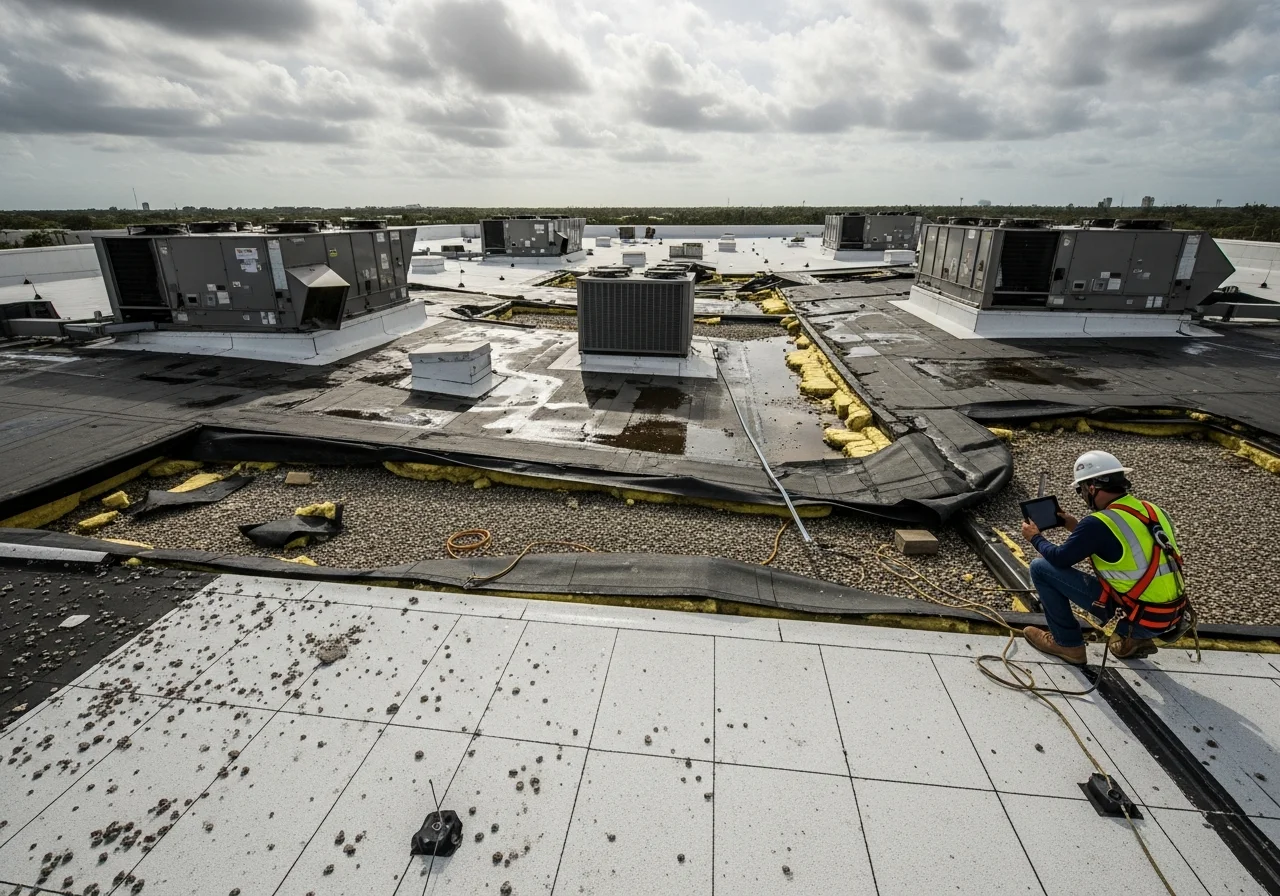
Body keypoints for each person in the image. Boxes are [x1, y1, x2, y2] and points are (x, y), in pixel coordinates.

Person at [1020, 450, 1188, 665]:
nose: (1082, 496)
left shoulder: (1098, 523)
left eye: (1080, 490)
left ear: (1091, 488)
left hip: (1140, 617)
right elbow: (1123, 544)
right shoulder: (1154, 510)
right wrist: (1074, 525)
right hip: (1173, 615)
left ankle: (1068, 644)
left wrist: (1035, 538)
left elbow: (1060, 558)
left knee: (1040, 568)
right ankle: (1132, 638)